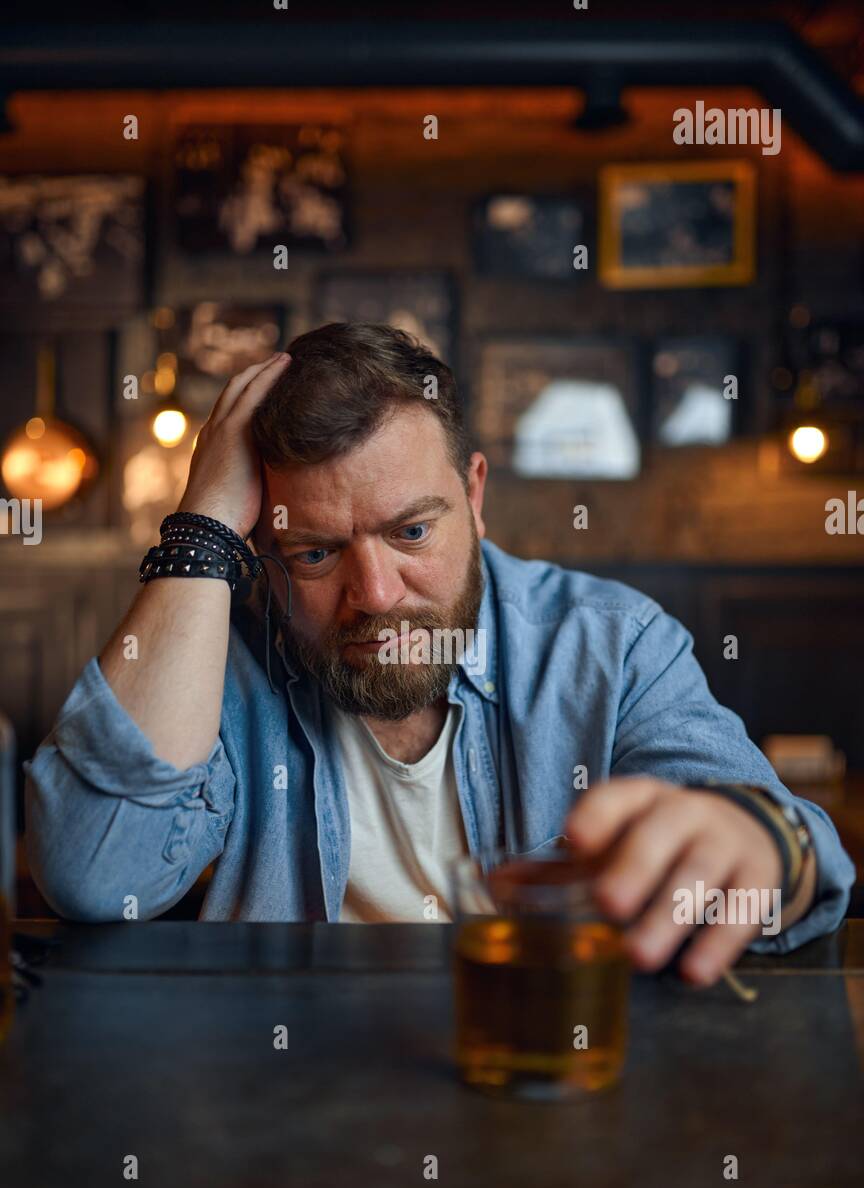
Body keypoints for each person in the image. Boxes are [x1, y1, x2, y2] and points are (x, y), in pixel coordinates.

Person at [24, 323, 854, 984]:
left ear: (476, 495)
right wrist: (200, 530)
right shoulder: (226, 657)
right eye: (314, 552)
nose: (376, 594)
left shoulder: (609, 643)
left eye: (411, 531)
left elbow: (781, 855)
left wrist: (759, 838)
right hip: (280, 1108)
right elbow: (95, 873)